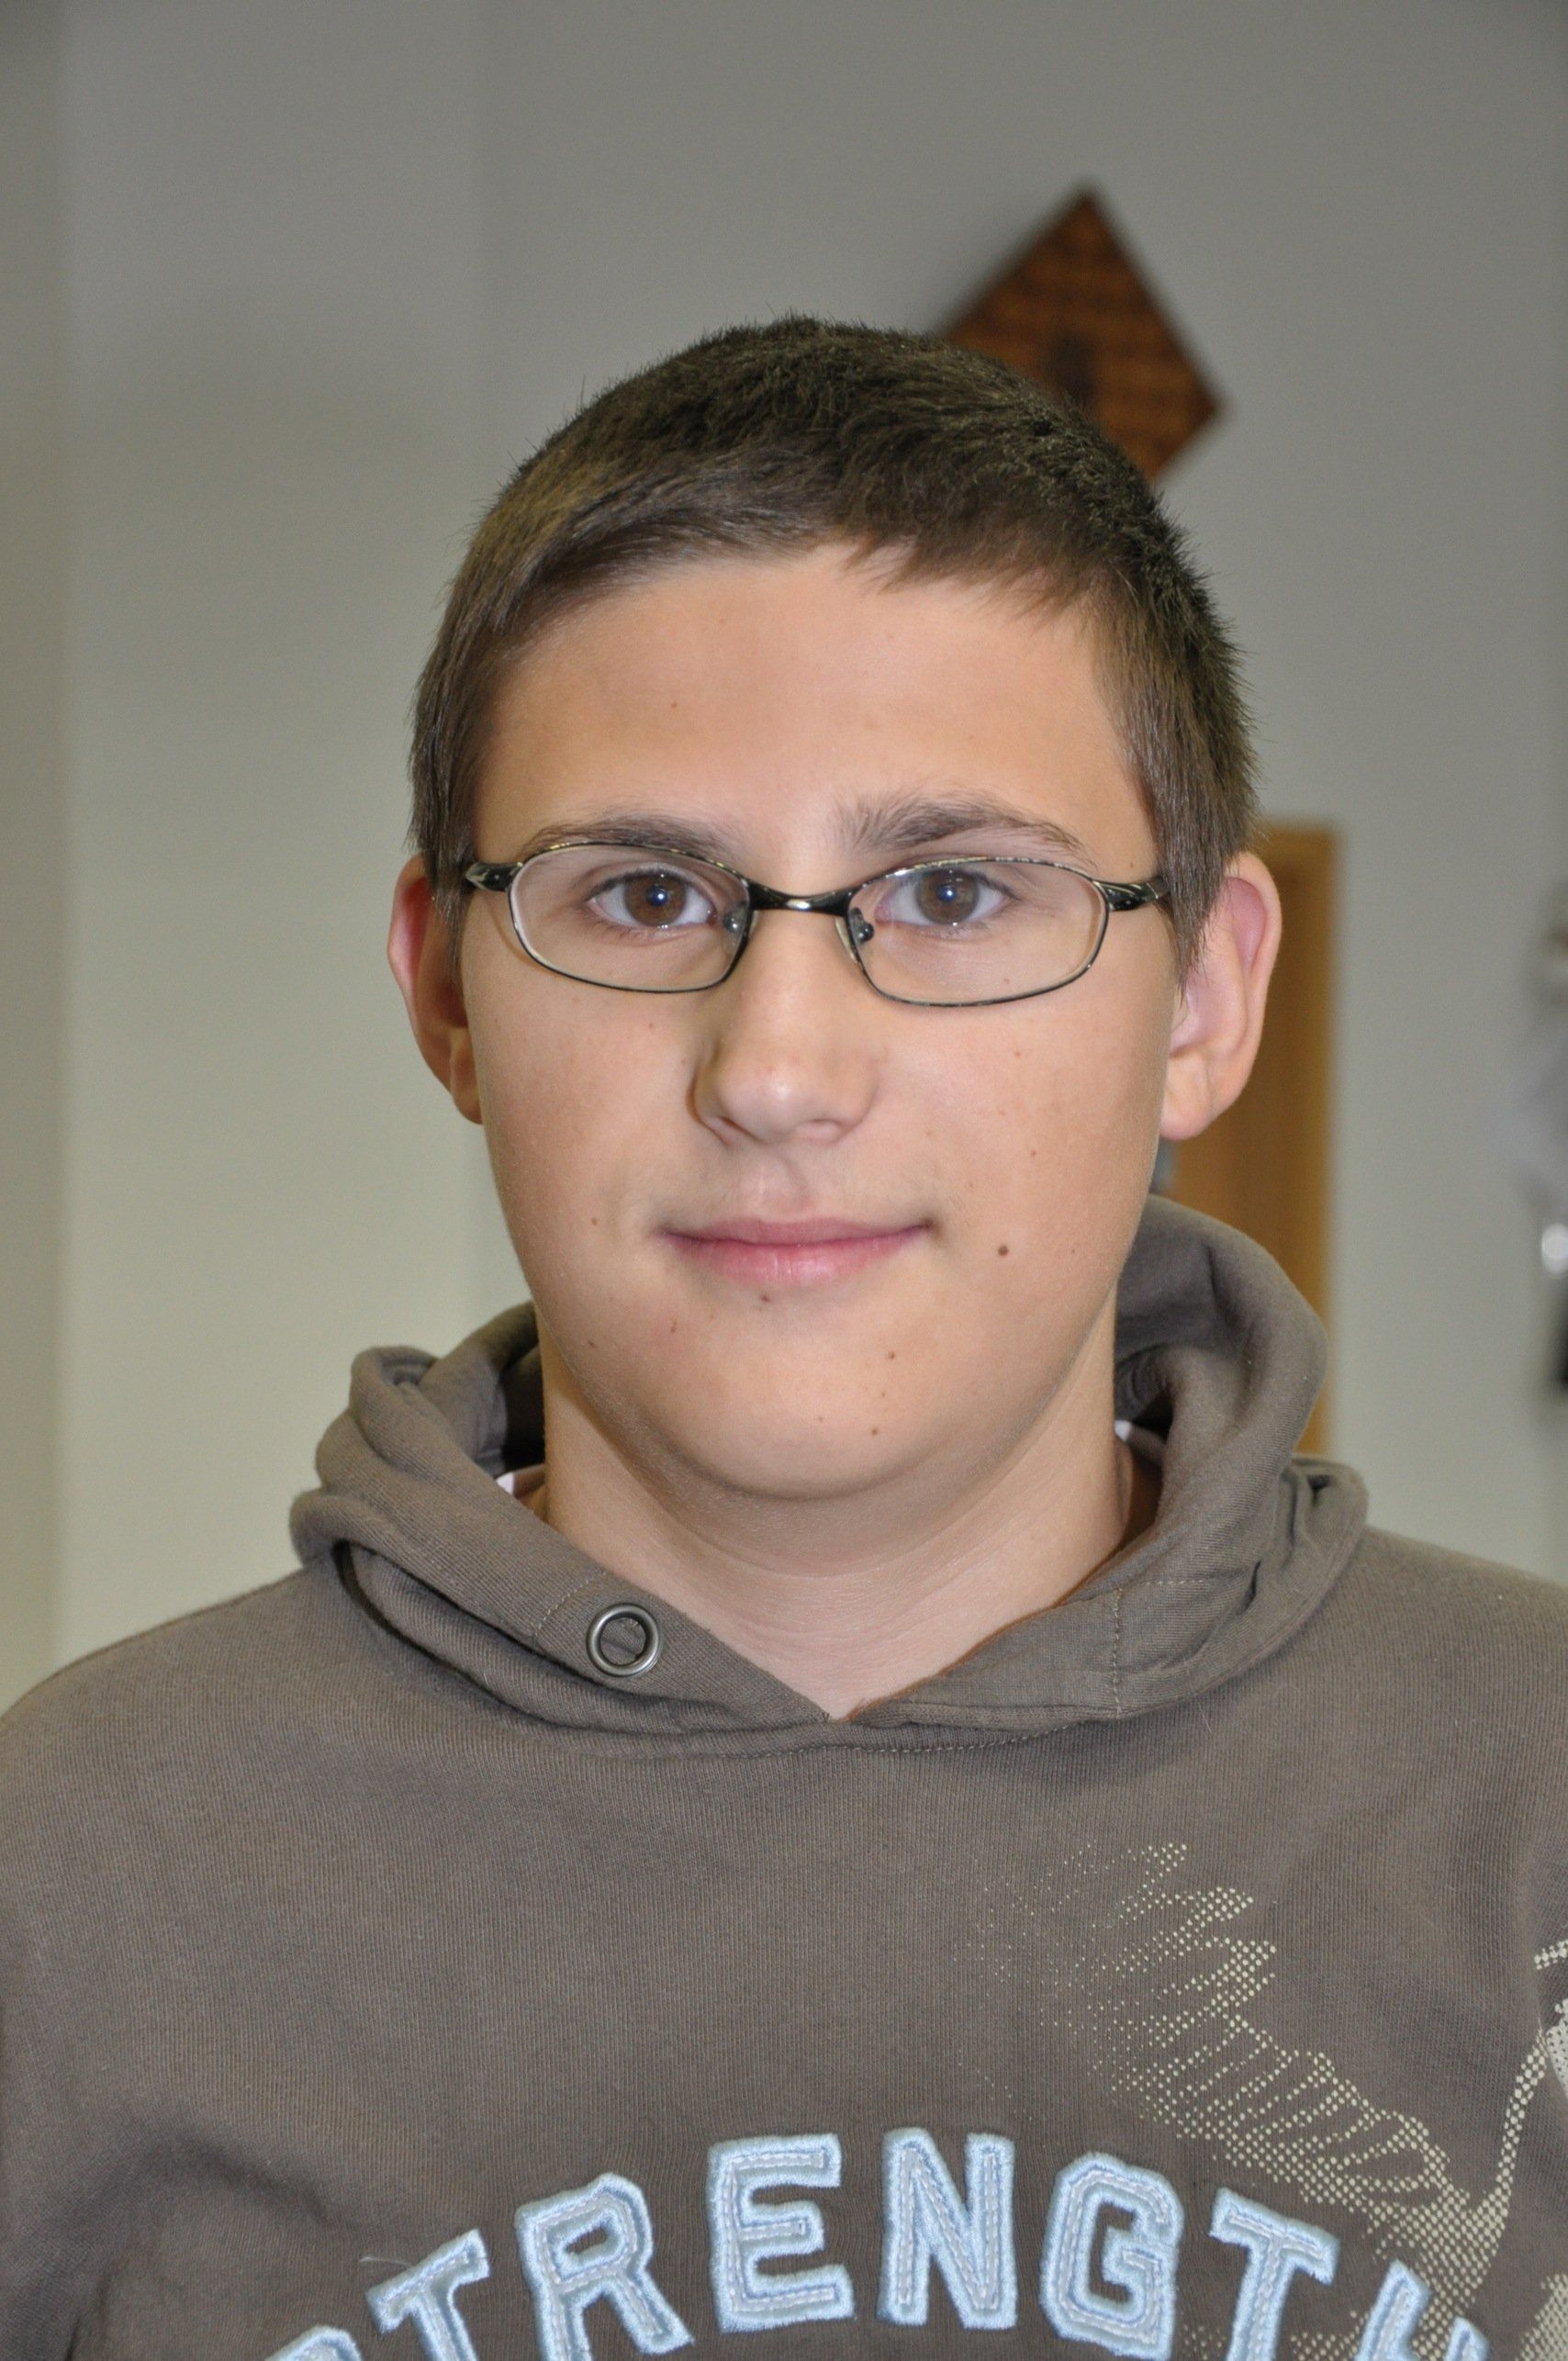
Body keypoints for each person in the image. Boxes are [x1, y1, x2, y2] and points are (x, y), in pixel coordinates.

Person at [2, 319, 1564, 2361]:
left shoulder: (1534, 1803)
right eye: (647, 895)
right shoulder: (70, 1873)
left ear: (1202, 998)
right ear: (450, 993)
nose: (778, 1069)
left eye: (952, 890)